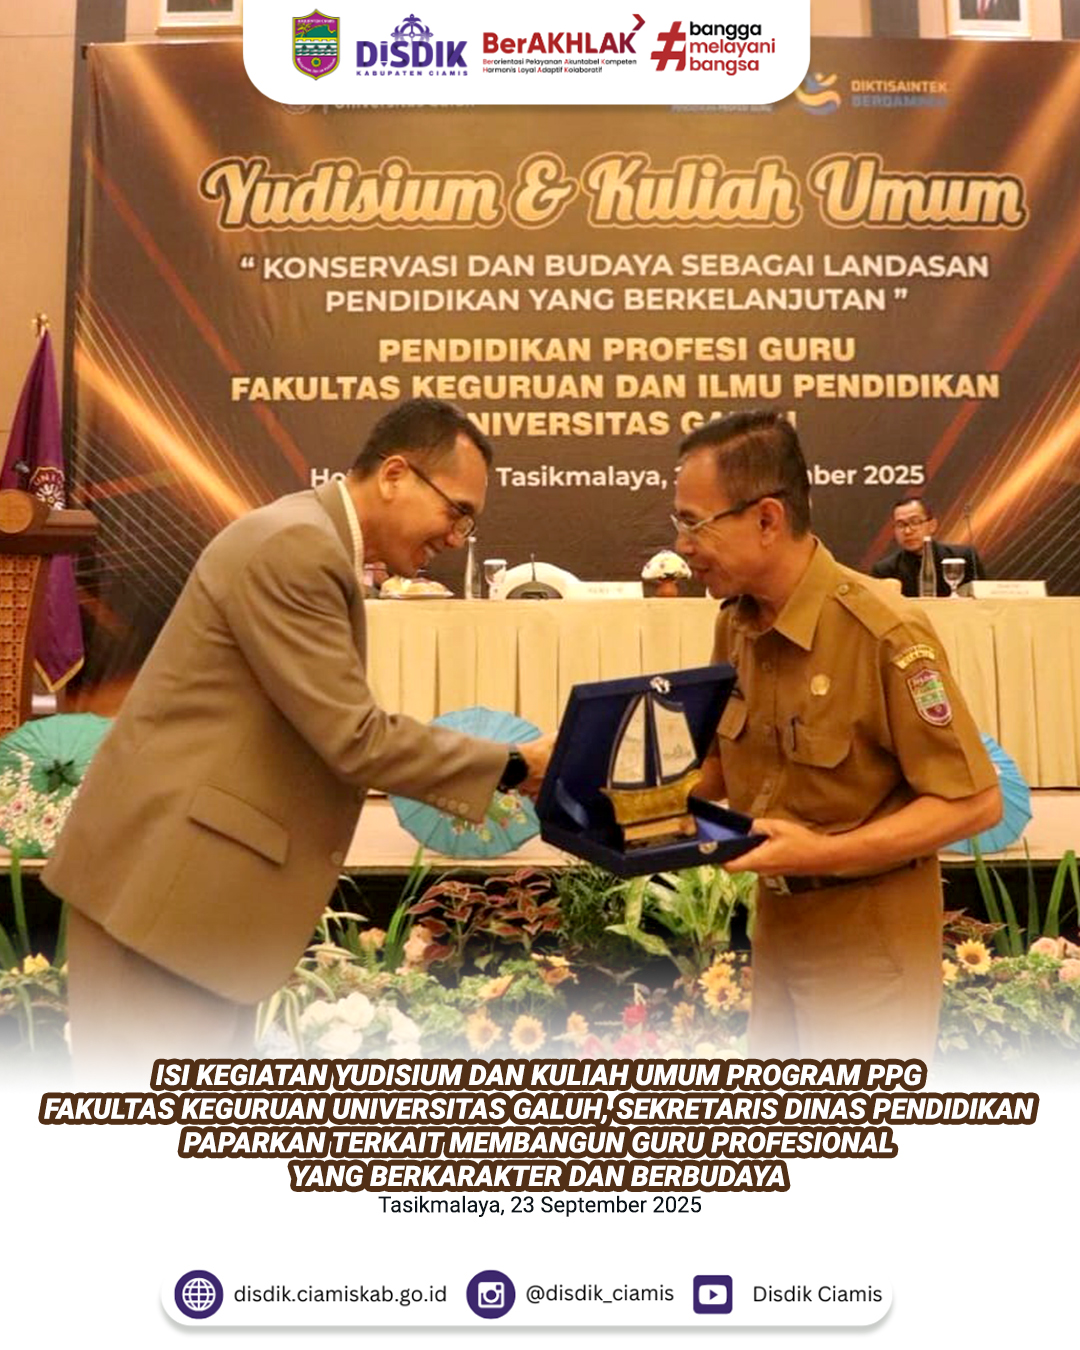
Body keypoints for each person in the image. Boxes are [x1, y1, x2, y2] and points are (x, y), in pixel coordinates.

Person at [43, 399, 551, 1070]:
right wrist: (516, 764)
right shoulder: (297, 547)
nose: (457, 538)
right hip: (163, 899)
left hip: (188, 907)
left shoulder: (308, 537)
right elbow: (355, 737)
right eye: (456, 511)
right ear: (395, 474)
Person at [673, 412, 1001, 1060]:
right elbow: (718, 770)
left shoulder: (883, 632)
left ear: (768, 519)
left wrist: (821, 853)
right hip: (778, 930)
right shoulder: (736, 625)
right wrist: (624, 802)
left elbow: (973, 803)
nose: (682, 546)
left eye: (694, 524)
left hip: (869, 948)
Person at [871, 496, 984, 597]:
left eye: (915, 522)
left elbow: (983, 599)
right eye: (900, 525)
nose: (907, 531)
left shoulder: (962, 558)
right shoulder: (885, 570)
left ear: (932, 526)